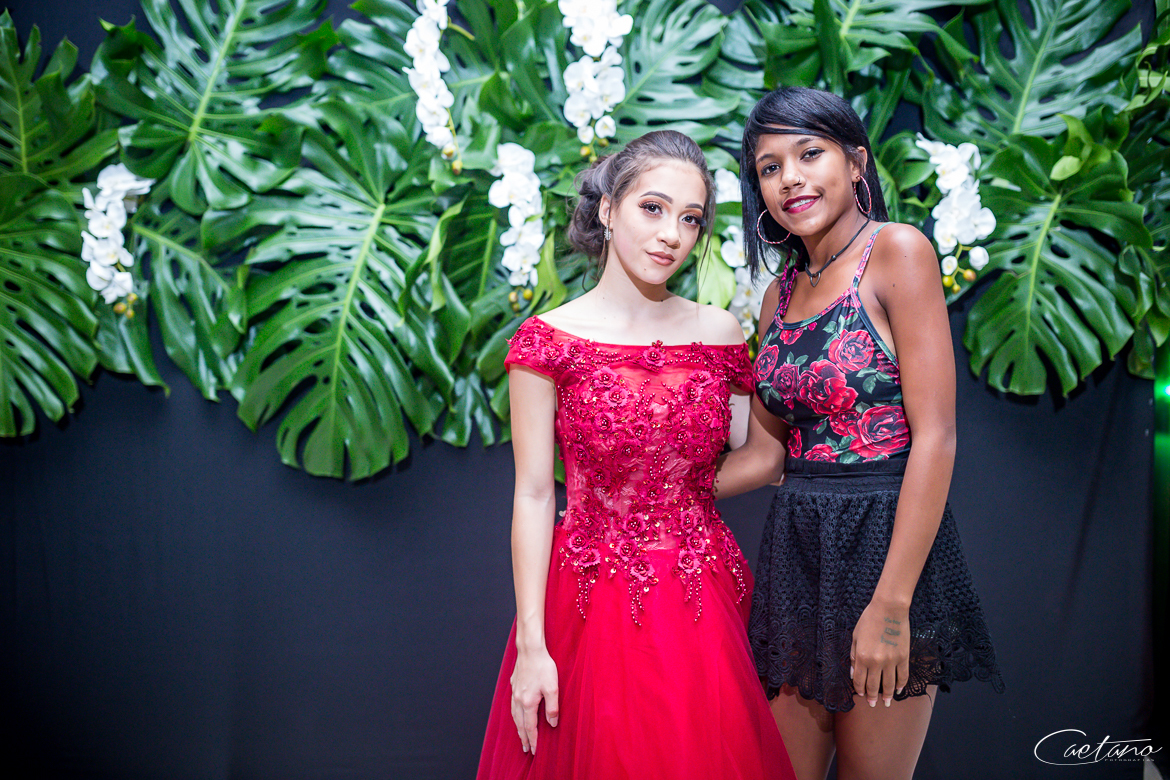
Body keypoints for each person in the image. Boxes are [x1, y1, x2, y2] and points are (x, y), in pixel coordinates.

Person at [475, 130, 796, 780]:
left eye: (690, 219)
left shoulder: (718, 331)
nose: (671, 235)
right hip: (586, 604)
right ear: (607, 209)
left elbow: (762, 457)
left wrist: (674, 501)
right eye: (653, 208)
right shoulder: (548, 340)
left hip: (698, 599)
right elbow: (533, 494)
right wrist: (532, 646)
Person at [722, 87, 1005, 780]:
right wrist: (653, 491)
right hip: (795, 551)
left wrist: (892, 607)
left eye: (809, 154)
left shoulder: (897, 251)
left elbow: (936, 436)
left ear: (856, 163)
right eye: (769, 167)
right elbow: (764, 454)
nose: (789, 178)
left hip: (884, 544)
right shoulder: (778, 295)